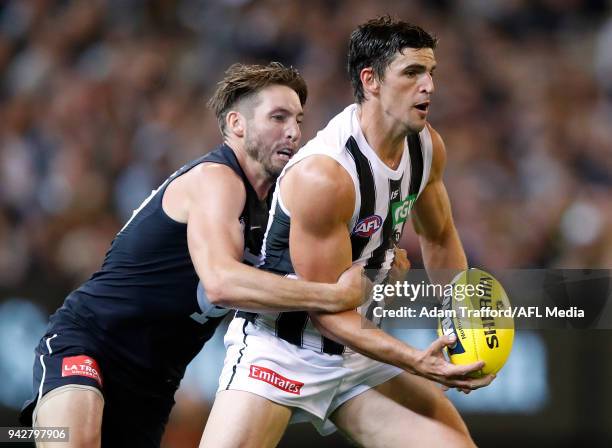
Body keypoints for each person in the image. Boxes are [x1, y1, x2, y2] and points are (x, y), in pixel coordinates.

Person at [19, 62, 365, 448]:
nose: (294, 132)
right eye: (278, 117)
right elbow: (221, 283)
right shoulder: (216, 180)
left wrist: (377, 262)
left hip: (152, 384)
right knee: (76, 441)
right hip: (90, 343)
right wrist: (333, 295)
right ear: (237, 124)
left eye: (299, 120)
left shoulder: (275, 210)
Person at [201, 17, 495, 448]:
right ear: (371, 80)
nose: (429, 85)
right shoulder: (325, 175)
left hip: (358, 349)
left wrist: (461, 326)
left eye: (431, 72)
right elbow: (327, 309)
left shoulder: (427, 146)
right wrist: (416, 360)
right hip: (282, 349)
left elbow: (439, 236)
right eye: (412, 72)